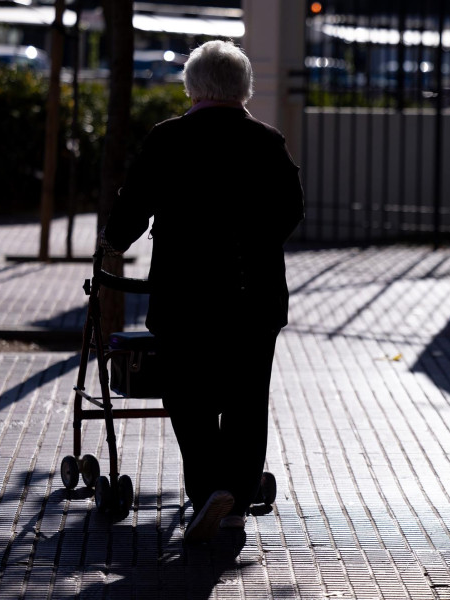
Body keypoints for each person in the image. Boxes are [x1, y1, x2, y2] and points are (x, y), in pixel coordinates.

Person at [99, 39, 304, 553]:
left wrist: (113, 242)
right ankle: (233, 502)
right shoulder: (268, 141)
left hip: (184, 294)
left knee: (188, 396)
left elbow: (134, 202)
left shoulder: (168, 138)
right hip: (253, 294)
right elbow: (290, 211)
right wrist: (253, 244)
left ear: (192, 87)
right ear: (244, 89)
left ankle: (209, 489)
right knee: (245, 397)